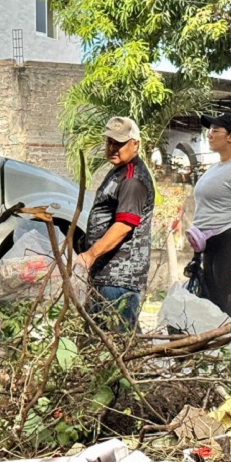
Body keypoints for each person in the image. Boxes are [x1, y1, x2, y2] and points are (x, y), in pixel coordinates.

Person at [78, 117, 155, 333]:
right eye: (109, 142)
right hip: (104, 274)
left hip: (119, 278)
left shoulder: (133, 178)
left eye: (119, 143)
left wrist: (91, 254)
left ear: (135, 144)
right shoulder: (118, 172)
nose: (113, 148)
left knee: (117, 343)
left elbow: (124, 225)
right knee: (99, 340)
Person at [189, 113, 231, 321]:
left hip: (229, 240)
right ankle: (218, 353)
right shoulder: (216, 168)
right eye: (209, 130)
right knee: (212, 305)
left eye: (215, 130)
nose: (209, 134)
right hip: (210, 244)